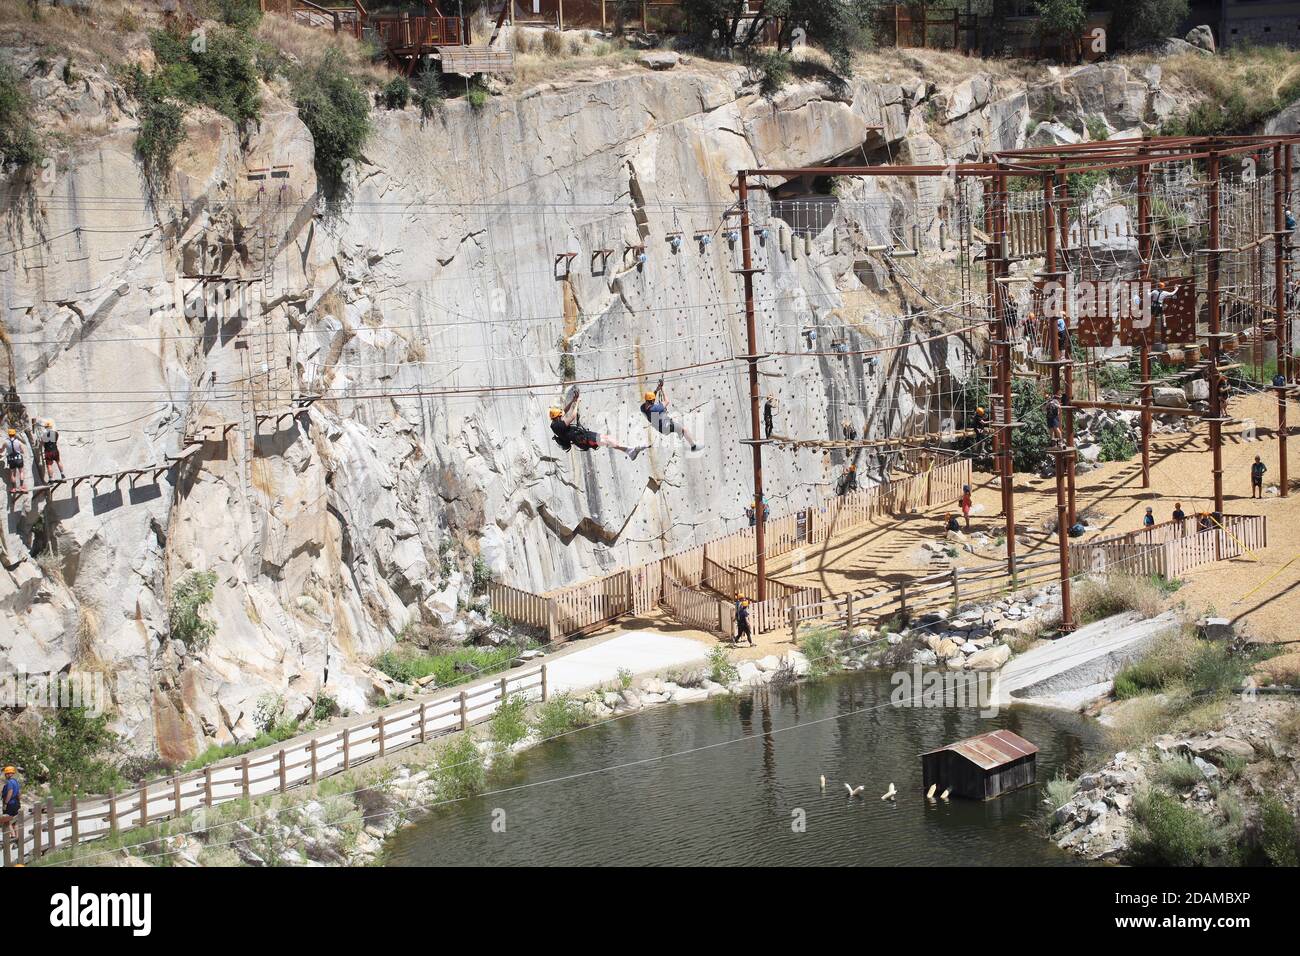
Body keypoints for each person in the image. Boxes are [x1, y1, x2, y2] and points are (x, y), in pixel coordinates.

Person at [549, 392, 643, 459]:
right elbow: (572, 416)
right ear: (557, 417)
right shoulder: (559, 426)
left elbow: (564, 411)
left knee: (606, 439)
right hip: (583, 439)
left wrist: (573, 401)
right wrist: (577, 403)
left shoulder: (554, 424)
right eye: (560, 415)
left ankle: (629, 450)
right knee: (607, 440)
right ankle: (630, 451)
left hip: (583, 437)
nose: (562, 415)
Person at [639, 381, 700, 452]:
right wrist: (662, 389)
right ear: (652, 401)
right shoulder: (655, 408)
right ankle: (693, 447)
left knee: (675, 424)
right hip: (666, 427)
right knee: (685, 430)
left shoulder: (642, 407)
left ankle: (679, 432)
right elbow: (667, 401)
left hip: (661, 427)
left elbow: (651, 400)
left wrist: (656, 390)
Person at [4, 428, 27, 495]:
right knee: (21, 472)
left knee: (12, 474)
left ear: (9, 434)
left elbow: (1, 450)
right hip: (19, 459)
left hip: (11, 460)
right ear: (14, 434)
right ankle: (21, 486)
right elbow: (22, 451)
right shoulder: (18, 442)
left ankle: (14, 488)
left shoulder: (6, 442)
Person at [1, 766, 18, 840]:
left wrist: (6, 803)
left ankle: (13, 835)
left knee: (7, 820)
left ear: (8, 774)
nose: (5, 775)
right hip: (16, 803)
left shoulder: (10, 782)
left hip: (10, 804)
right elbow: (18, 793)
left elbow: (10, 792)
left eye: (6, 774)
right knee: (15, 821)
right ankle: (17, 837)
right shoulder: (15, 781)